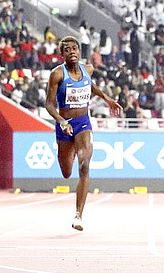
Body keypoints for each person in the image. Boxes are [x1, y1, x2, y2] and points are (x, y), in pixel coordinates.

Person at [44, 36, 122, 231]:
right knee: (66, 172)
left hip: (83, 123)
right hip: (65, 124)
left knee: (85, 167)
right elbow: (49, 104)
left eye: (74, 48)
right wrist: (61, 121)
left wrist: (107, 99)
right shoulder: (57, 75)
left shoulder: (88, 70)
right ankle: (68, 151)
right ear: (62, 55)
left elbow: (90, 86)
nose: (72, 52)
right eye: (67, 50)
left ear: (79, 51)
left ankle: (79, 215)